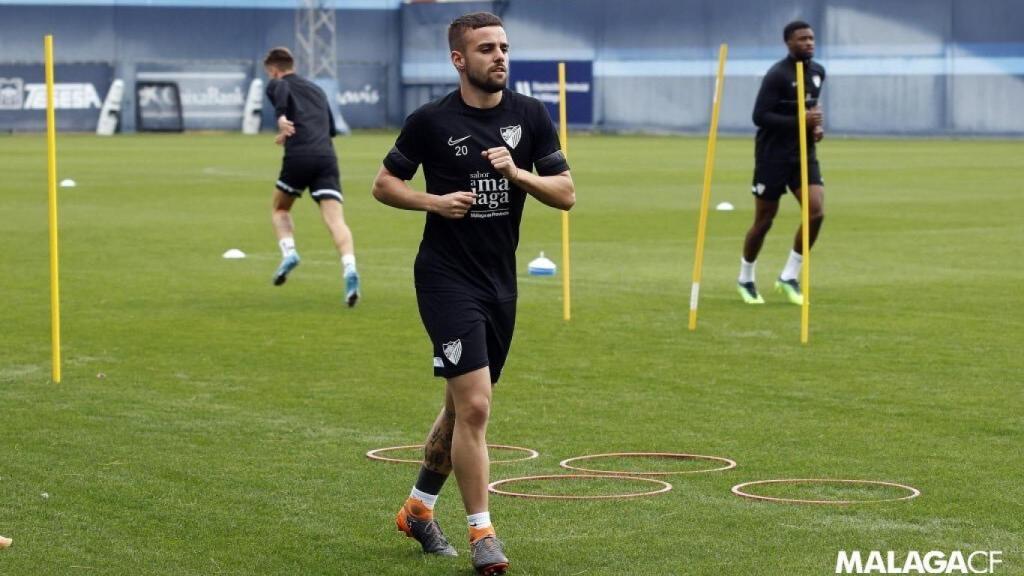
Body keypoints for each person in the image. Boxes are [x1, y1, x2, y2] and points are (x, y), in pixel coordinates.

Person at [371, 12, 575, 575]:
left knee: (459, 408)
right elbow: (384, 184)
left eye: (505, 47)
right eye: (486, 48)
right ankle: (484, 533)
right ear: (459, 59)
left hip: (499, 283)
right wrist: (433, 202)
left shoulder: (530, 116)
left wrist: (520, 176)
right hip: (444, 277)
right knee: (478, 406)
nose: (500, 56)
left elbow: (565, 194)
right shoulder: (431, 121)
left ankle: (418, 508)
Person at [263, 47, 360, 306]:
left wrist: (282, 117)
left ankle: (289, 252)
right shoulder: (317, 90)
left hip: (299, 157)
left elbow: (281, 89)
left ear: (273, 70)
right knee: (336, 221)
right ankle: (350, 267)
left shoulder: (277, 83)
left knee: (280, 209)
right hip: (327, 157)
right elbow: (330, 128)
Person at [738, 20, 826, 305]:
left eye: (811, 38)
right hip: (771, 156)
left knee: (815, 212)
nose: (809, 43)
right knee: (764, 221)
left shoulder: (818, 72)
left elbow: (811, 109)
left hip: (803, 154)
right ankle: (746, 278)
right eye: (802, 39)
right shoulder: (777, 75)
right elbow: (759, 117)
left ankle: (789, 276)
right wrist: (800, 121)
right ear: (789, 42)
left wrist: (814, 128)